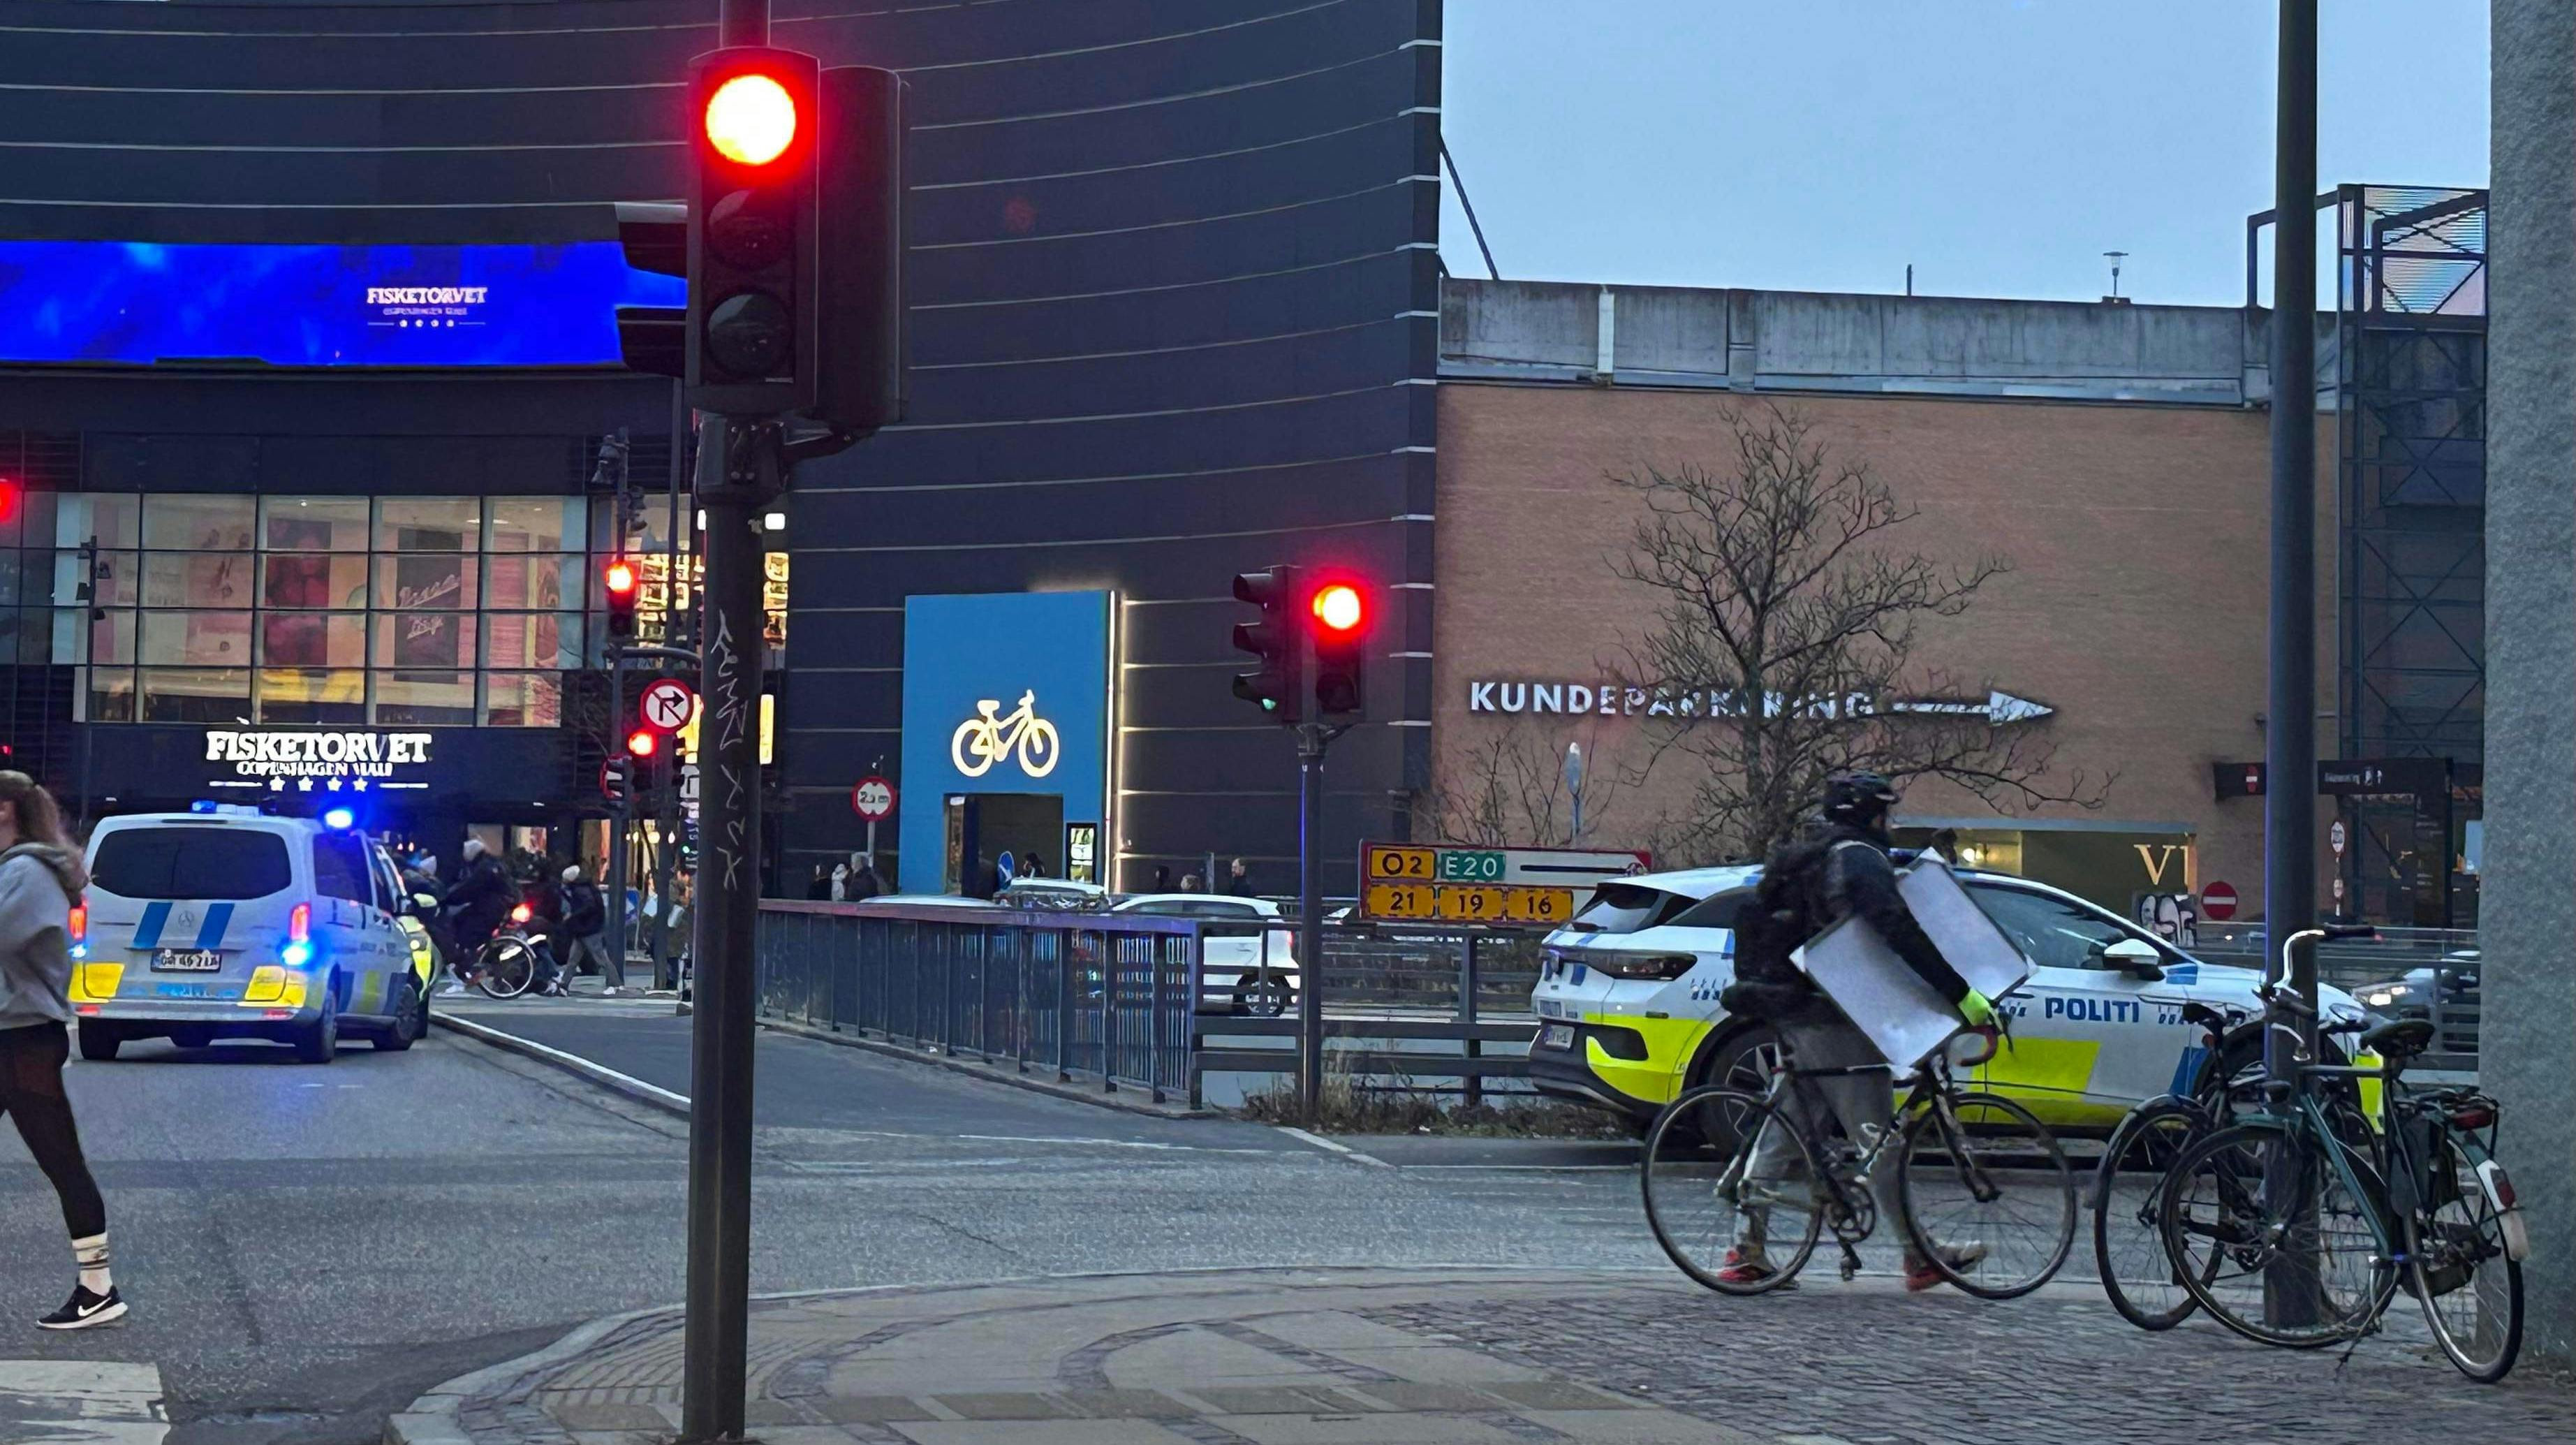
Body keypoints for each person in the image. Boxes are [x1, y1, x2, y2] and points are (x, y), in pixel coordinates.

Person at [1718, 771, 1994, 1293]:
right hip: (1835, 1014)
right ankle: (1919, 1256)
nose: (1891, 823)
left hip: (1796, 1006)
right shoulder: (1858, 858)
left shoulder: (1818, 854)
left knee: (1784, 1131)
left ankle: (1745, 1251)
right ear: (1870, 815)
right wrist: (1958, 992)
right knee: (1879, 1135)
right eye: (1887, 813)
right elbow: (1895, 929)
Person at [0, 771, 124, 1329]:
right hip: (12, 1030)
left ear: (5, 810)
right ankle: (98, 1287)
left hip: (23, 1036)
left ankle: (98, 1288)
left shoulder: (27, 872)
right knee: (61, 1160)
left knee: (61, 1160)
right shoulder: (15, 869)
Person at [438, 838, 516, 997]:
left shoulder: (483, 869)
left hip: (488, 909)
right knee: (479, 937)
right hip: (497, 908)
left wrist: (447, 899)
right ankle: (492, 976)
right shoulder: (494, 865)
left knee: (465, 934)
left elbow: (469, 889)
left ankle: (471, 969)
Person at [557, 864, 619, 997]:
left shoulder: (580, 890)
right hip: (586, 928)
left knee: (598, 959)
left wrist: (572, 916)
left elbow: (587, 907)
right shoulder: (585, 887)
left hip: (588, 929)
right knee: (576, 959)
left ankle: (615, 984)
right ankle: (564, 985)